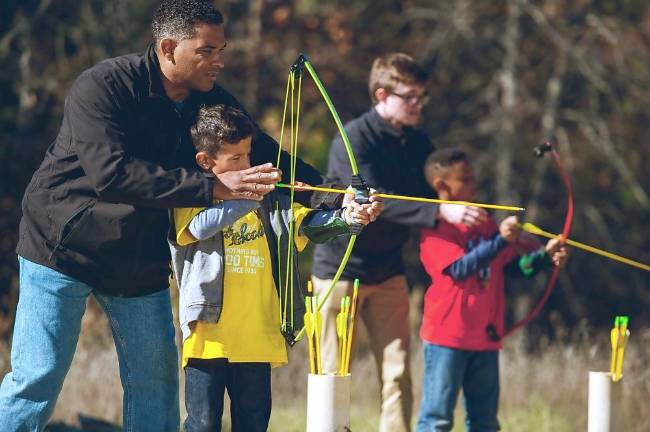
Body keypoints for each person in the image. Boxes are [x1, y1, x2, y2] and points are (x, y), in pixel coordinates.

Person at [0, 1, 326, 430]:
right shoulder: (103, 86)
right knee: (37, 378)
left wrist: (328, 192)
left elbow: (265, 154)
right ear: (169, 48)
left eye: (221, 49)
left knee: (156, 385)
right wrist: (212, 188)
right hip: (60, 251)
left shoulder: (210, 100)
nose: (219, 61)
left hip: (139, 260)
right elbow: (111, 174)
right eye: (207, 51)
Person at [169, 104, 383, 431]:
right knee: (202, 424)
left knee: (254, 424)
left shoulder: (271, 204)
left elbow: (307, 224)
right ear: (206, 162)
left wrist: (349, 218)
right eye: (235, 160)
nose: (248, 166)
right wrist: (251, 195)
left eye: (248, 156)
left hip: (258, 335)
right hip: (208, 337)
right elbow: (198, 229)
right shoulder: (193, 196)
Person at [311, 53, 488, 431]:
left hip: (389, 271)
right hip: (340, 271)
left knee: (397, 373)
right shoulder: (351, 139)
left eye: (422, 97)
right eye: (410, 96)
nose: (418, 105)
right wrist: (441, 213)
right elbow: (374, 198)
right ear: (381, 94)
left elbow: (440, 188)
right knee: (332, 375)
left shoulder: (419, 142)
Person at [415, 148, 569, 432]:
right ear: (442, 186)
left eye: (473, 178)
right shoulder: (435, 228)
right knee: (437, 419)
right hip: (447, 337)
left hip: (485, 337)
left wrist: (544, 259)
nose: (474, 185)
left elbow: (510, 267)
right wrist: (500, 239)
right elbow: (460, 269)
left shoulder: (485, 222)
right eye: (466, 179)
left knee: (485, 421)